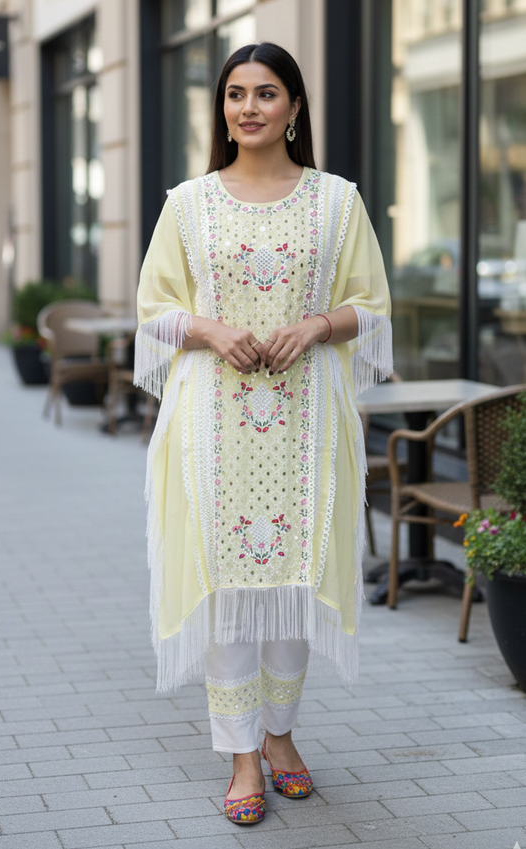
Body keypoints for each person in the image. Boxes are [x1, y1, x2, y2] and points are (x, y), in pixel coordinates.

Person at [134, 42, 392, 825]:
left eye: (266, 92)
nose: (249, 107)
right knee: (224, 585)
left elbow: (371, 306)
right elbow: (152, 311)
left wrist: (316, 324)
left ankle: (279, 735)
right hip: (211, 422)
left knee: (292, 580)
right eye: (235, 94)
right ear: (222, 109)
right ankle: (241, 755)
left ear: (294, 107)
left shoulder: (336, 202)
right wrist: (210, 329)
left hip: (306, 420)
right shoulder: (188, 204)